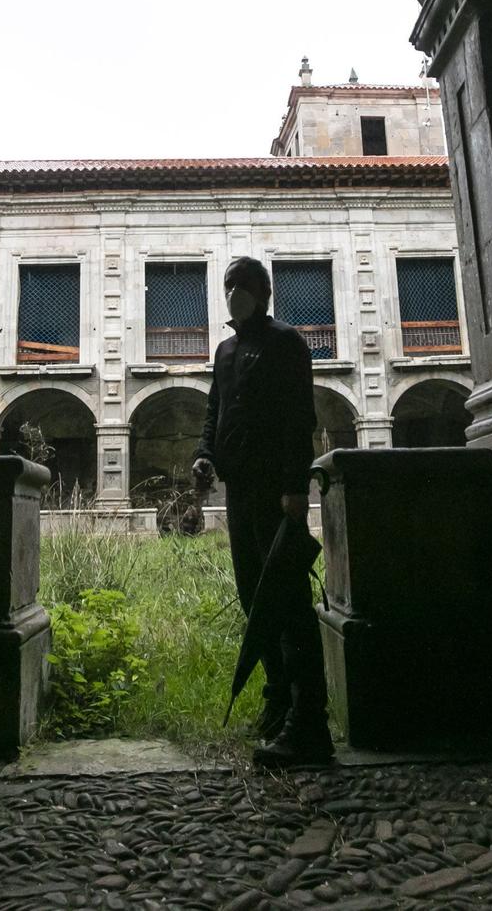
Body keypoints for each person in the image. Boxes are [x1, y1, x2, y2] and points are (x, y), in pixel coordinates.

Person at [192, 256, 333, 766]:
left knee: (290, 603)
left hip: (276, 492)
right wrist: (204, 455)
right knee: (254, 597)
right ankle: (278, 700)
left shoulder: (287, 343)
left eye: (244, 285)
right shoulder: (226, 350)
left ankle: (309, 722)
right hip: (239, 491)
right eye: (229, 285)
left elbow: (301, 419)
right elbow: (215, 411)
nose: (234, 293)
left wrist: (297, 489)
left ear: (265, 291)